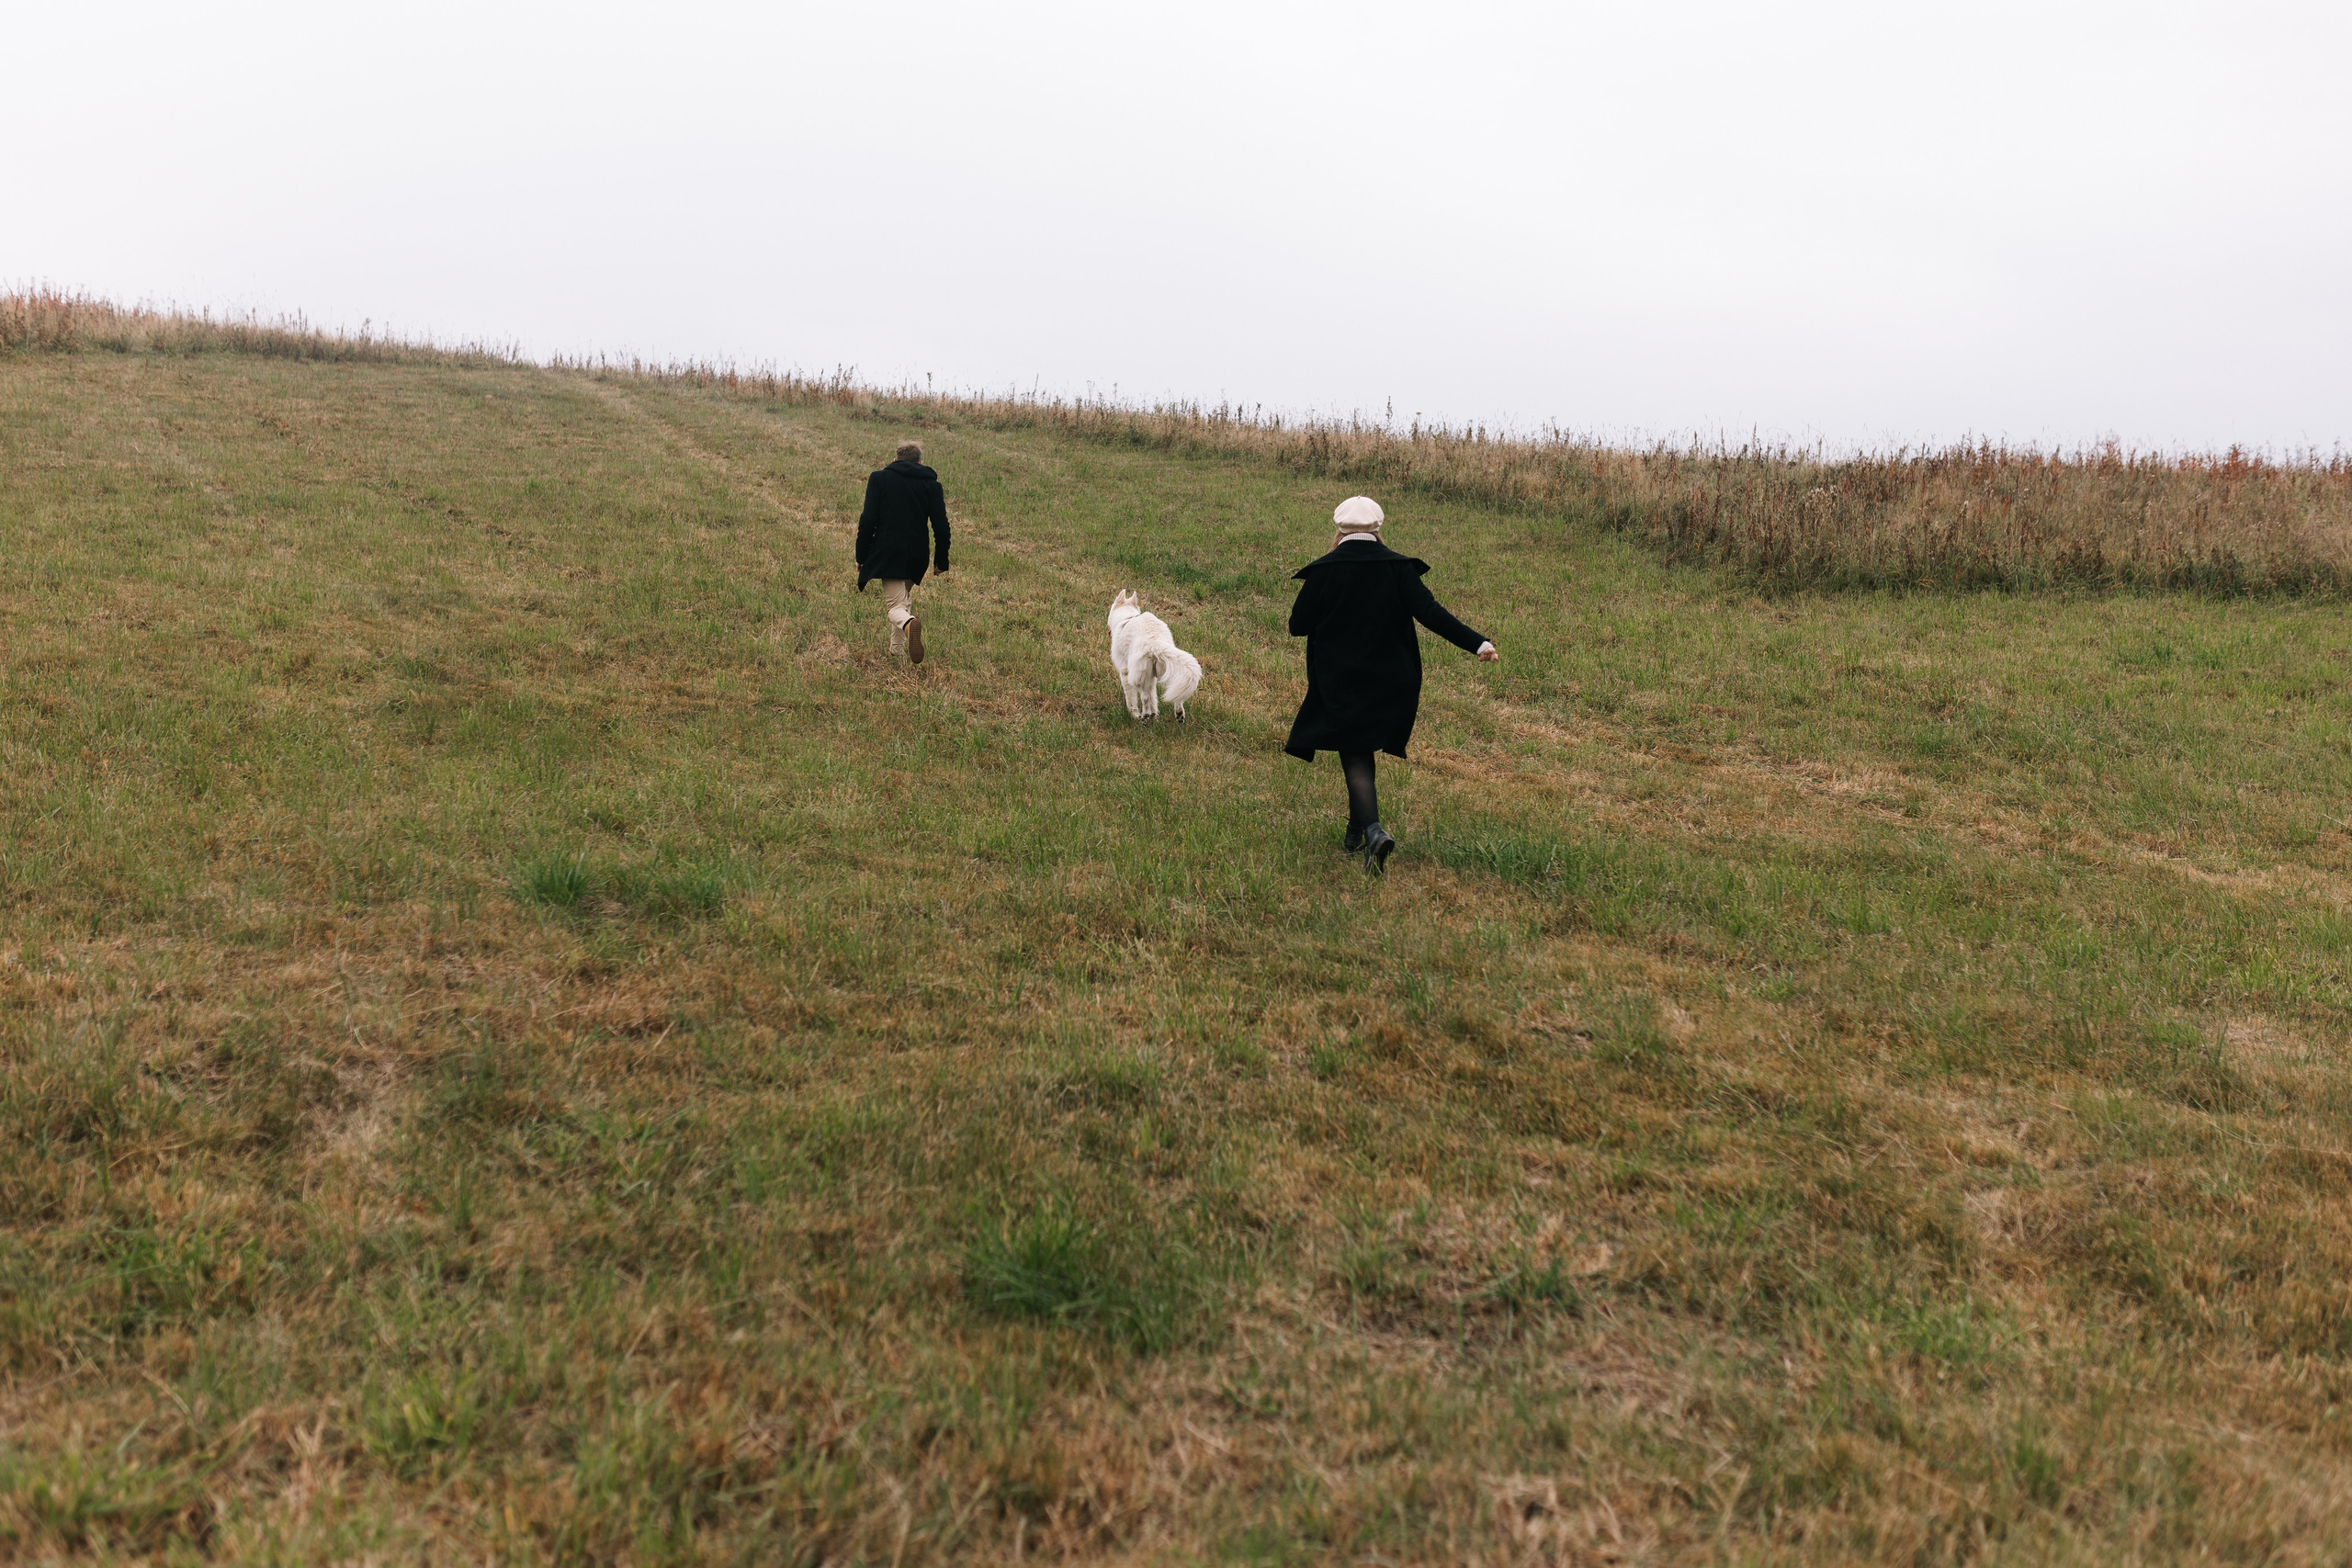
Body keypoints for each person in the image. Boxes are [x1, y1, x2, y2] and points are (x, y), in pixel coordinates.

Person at [1283, 495, 1498, 874]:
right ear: (1378, 528)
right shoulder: (1398, 568)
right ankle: (1355, 831)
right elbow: (1432, 614)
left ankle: (1373, 830)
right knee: (1361, 746)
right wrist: (1478, 642)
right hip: (1391, 678)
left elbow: (1297, 625)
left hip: (1341, 679)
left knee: (1353, 750)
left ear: (1339, 529)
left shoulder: (1324, 570)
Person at [855, 440, 951, 662]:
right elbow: (941, 526)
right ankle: (896, 651)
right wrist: (941, 561)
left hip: (888, 551)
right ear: (920, 462)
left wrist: (861, 555)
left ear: (895, 459)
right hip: (917, 554)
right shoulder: (931, 486)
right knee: (903, 600)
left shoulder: (879, 479)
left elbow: (867, 519)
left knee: (895, 607)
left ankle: (909, 623)